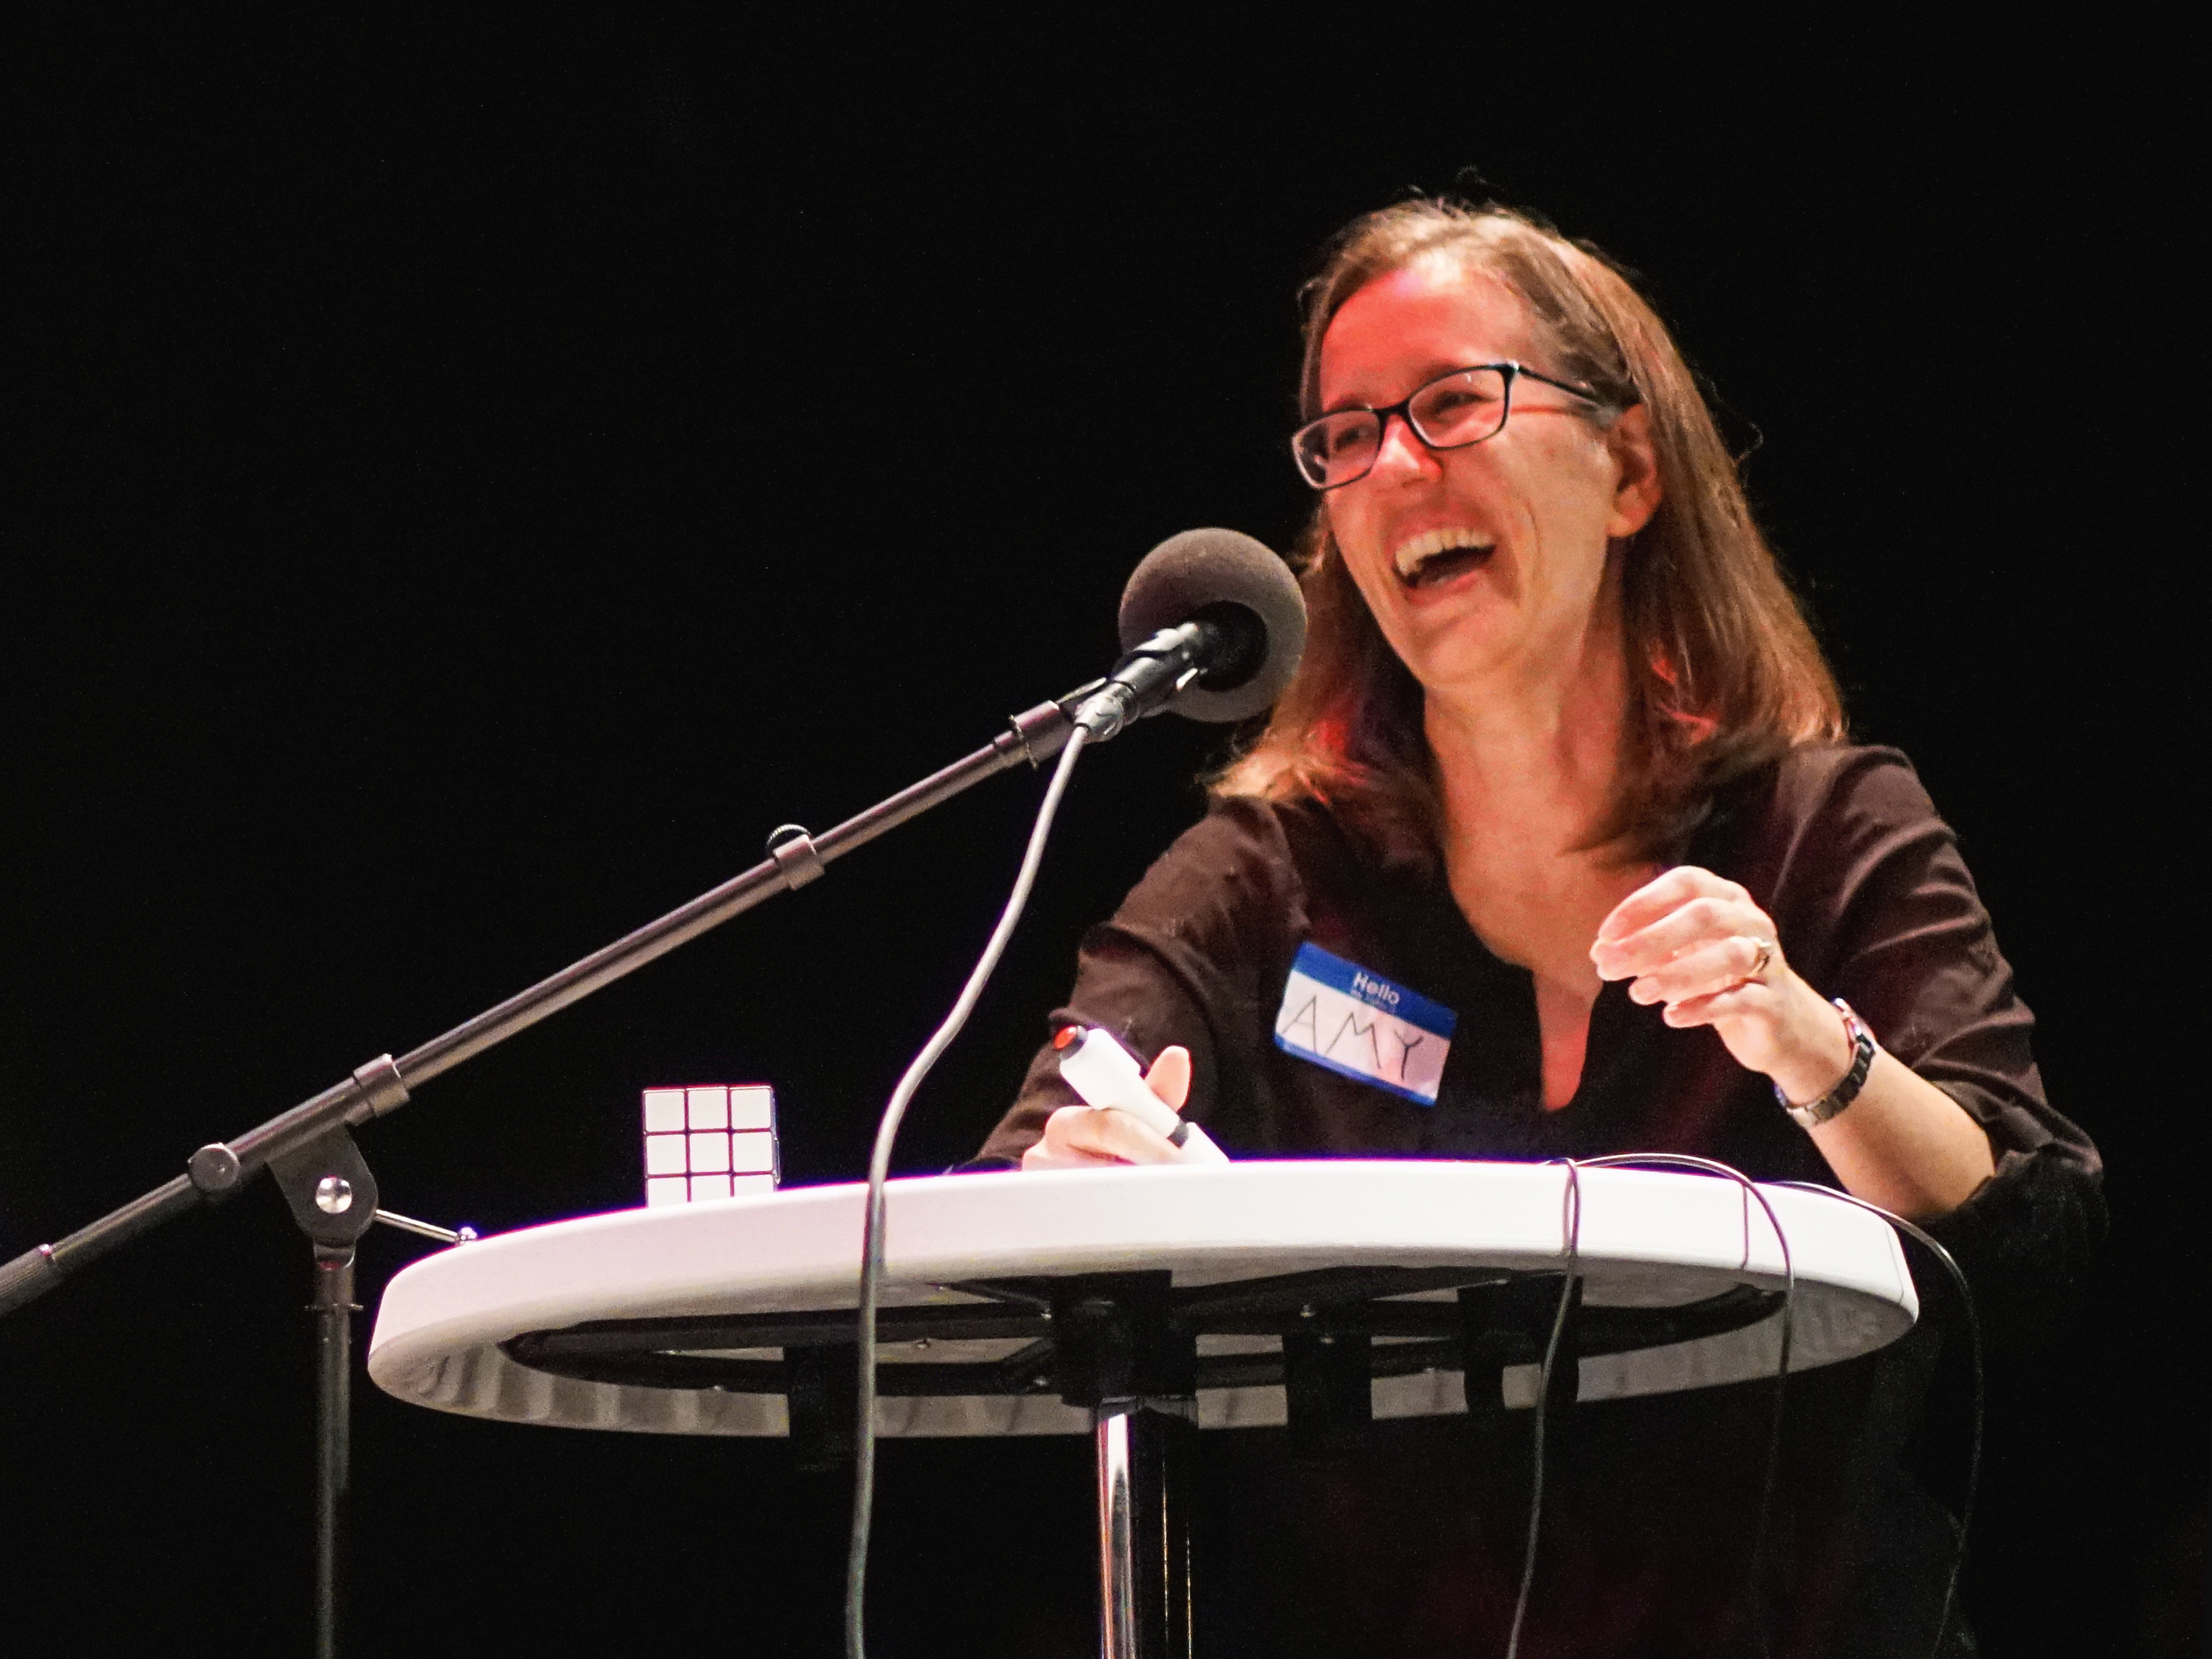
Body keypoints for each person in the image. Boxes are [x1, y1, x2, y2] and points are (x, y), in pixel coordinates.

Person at [975, 201, 2101, 1657]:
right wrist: (1084, 1176)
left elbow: (2031, 1253)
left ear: (1629, 469)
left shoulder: (1824, 828)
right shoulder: (1266, 875)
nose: (1393, 466)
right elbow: (1017, 1199)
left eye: (1452, 403)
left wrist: (1807, 1043)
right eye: (1347, 436)